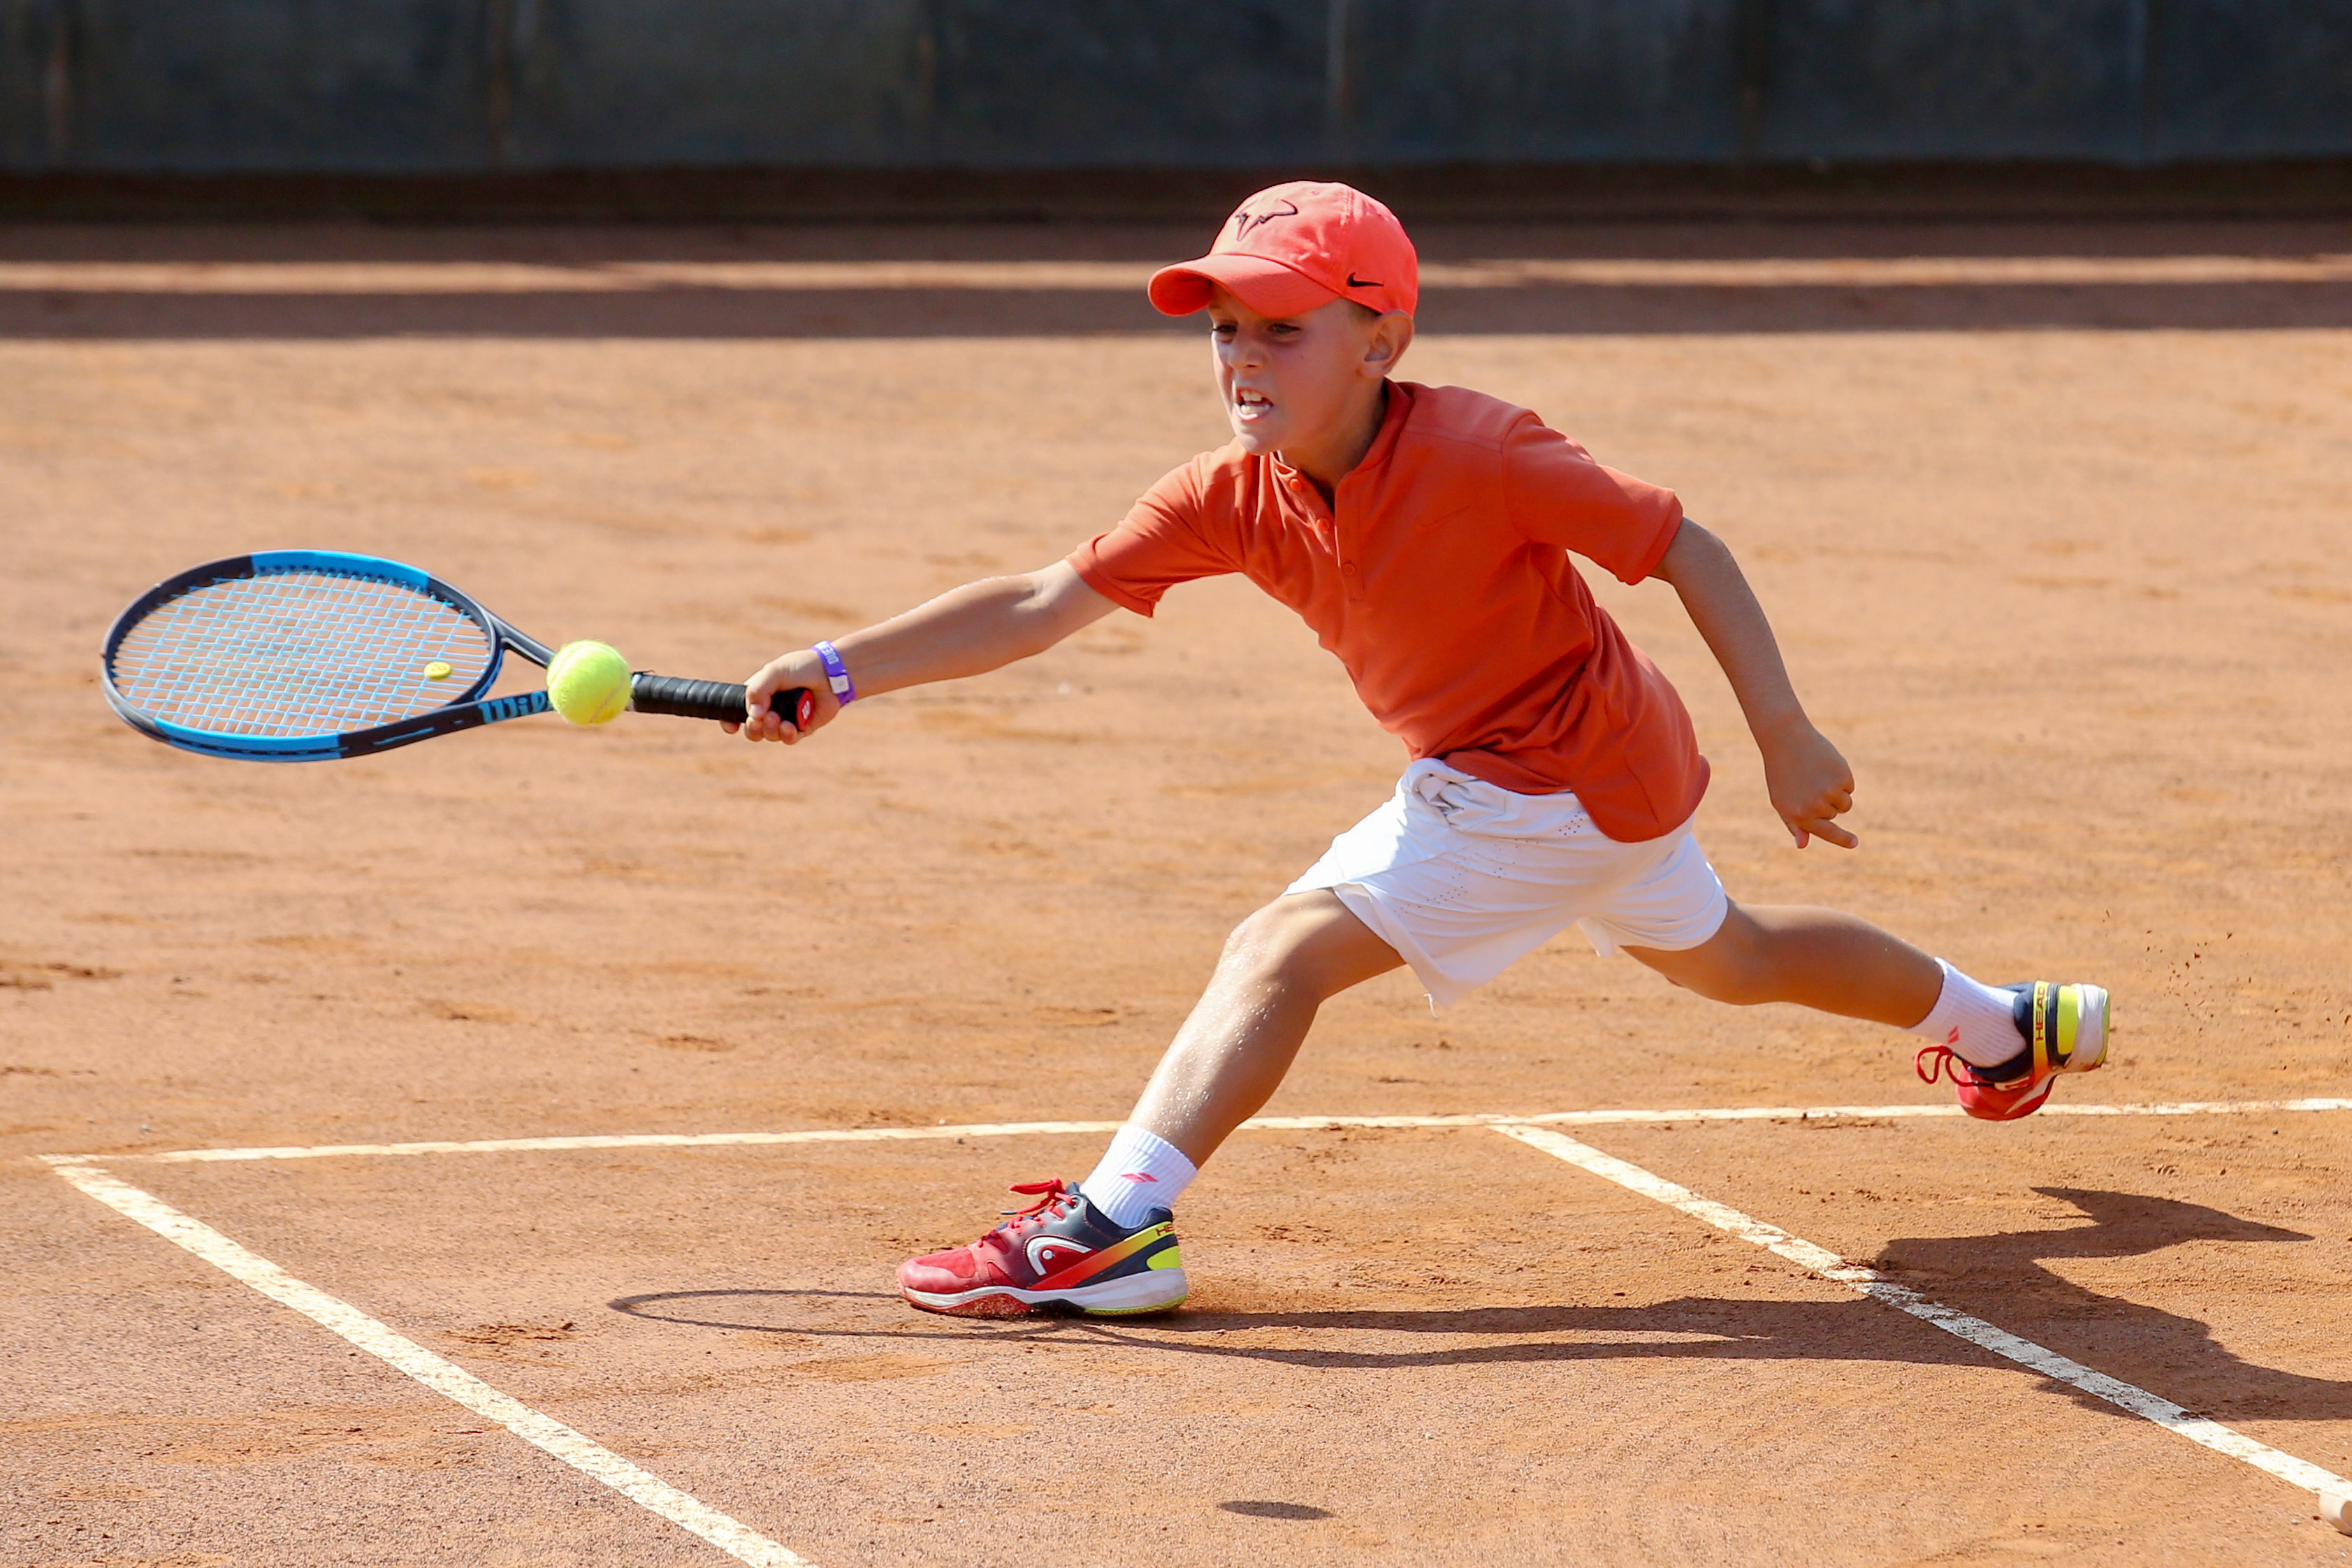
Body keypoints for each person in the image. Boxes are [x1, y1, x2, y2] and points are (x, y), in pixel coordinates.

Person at [729, 181, 2110, 1319]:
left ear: (1378, 341)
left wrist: (1787, 731)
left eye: (1279, 328)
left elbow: (1681, 544)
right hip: (1601, 774)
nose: (1240, 358)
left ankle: (1113, 1226)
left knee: (1279, 950)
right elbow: (1042, 599)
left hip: (1543, 780)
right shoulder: (1230, 495)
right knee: (1735, 959)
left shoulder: (1486, 451)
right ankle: (2006, 1027)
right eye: (1222, 329)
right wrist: (845, 668)